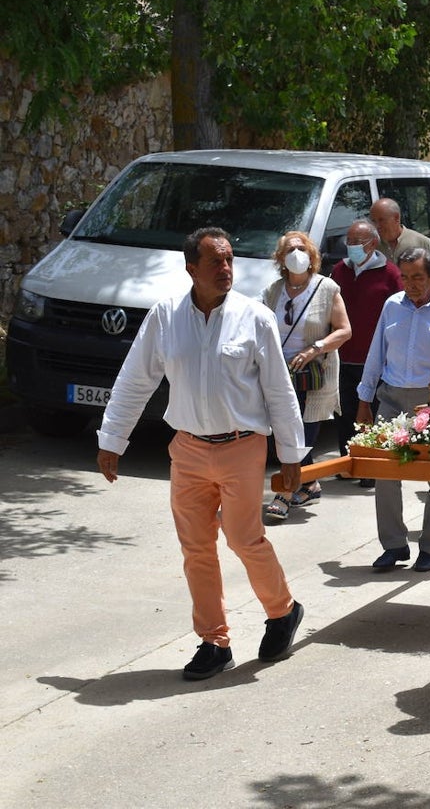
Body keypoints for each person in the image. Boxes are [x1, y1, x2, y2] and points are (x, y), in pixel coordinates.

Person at [96, 227, 306, 681]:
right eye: (216, 262)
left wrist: (292, 459)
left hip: (241, 448)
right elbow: (136, 379)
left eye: (229, 260)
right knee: (196, 549)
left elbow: (279, 392)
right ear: (191, 267)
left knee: (243, 538)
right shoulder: (166, 316)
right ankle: (214, 642)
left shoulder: (255, 317)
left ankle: (282, 611)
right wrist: (112, 439)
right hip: (188, 450)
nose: (226, 269)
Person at [356, 246, 430, 573]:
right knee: (385, 473)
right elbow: (376, 353)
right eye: (405, 277)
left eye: (418, 278)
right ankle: (394, 545)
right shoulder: (391, 306)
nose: (411, 284)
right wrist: (364, 401)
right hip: (392, 398)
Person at [262, 231, 352, 520]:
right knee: (282, 431)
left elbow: (344, 330)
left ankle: (285, 494)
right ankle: (309, 483)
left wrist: (315, 348)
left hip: (314, 375)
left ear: (312, 255)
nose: (296, 253)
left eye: (301, 248)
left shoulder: (327, 289)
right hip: (280, 373)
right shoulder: (273, 291)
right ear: (281, 258)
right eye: (290, 249)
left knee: (300, 433)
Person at [331, 219, 404, 486]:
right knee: (345, 412)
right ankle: (347, 463)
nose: (351, 247)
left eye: (356, 243)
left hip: (375, 360)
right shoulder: (339, 270)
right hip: (343, 356)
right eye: (348, 242)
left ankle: (371, 468)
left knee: (371, 414)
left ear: (372, 243)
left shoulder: (391, 273)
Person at [370, 197, 430, 263]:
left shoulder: (422, 243)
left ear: (396, 217)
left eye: (381, 220)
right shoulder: (371, 247)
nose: (377, 225)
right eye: (374, 221)